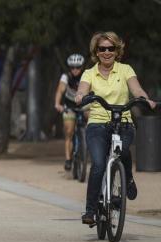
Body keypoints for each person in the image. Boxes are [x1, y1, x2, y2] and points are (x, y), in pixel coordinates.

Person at [74, 31, 157, 225]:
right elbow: (82, 89)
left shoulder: (125, 69)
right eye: (102, 49)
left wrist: (145, 99)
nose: (106, 52)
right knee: (98, 165)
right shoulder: (89, 73)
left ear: (117, 49)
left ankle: (127, 177)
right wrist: (80, 96)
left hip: (123, 123)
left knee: (122, 151)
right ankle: (90, 211)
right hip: (97, 124)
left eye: (110, 48)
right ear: (96, 51)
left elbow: (136, 89)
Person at [54, 54, 86, 171]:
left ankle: (88, 143)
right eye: (72, 67)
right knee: (69, 131)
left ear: (81, 67)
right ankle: (68, 159)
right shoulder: (65, 77)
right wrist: (58, 104)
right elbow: (59, 91)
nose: (75, 70)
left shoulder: (86, 76)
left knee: (92, 116)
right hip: (69, 106)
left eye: (77, 67)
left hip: (83, 105)